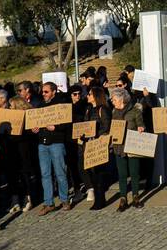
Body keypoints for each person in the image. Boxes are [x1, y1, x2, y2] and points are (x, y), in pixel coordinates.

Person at [36, 81, 73, 214]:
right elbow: (36, 121)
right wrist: (35, 128)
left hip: (56, 142)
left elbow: (68, 123)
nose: (43, 94)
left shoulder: (60, 104)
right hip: (42, 143)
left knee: (60, 172)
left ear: (53, 92)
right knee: (45, 174)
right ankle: (48, 203)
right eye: (42, 91)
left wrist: (55, 127)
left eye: (46, 91)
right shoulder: (40, 105)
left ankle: (64, 199)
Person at [110, 87, 148, 210]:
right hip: (119, 147)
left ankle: (136, 196)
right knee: (122, 174)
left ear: (121, 99)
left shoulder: (134, 111)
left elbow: (141, 123)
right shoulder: (113, 112)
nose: (112, 101)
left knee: (134, 172)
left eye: (114, 99)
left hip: (132, 145)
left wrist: (141, 128)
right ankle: (123, 198)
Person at [78, 85, 113, 210]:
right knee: (92, 173)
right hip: (89, 144)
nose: (87, 96)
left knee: (99, 174)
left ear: (96, 96)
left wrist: (96, 134)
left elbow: (106, 126)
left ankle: (100, 200)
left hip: (99, 144)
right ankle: (98, 199)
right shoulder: (88, 109)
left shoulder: (103, 109)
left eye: (90, 94)